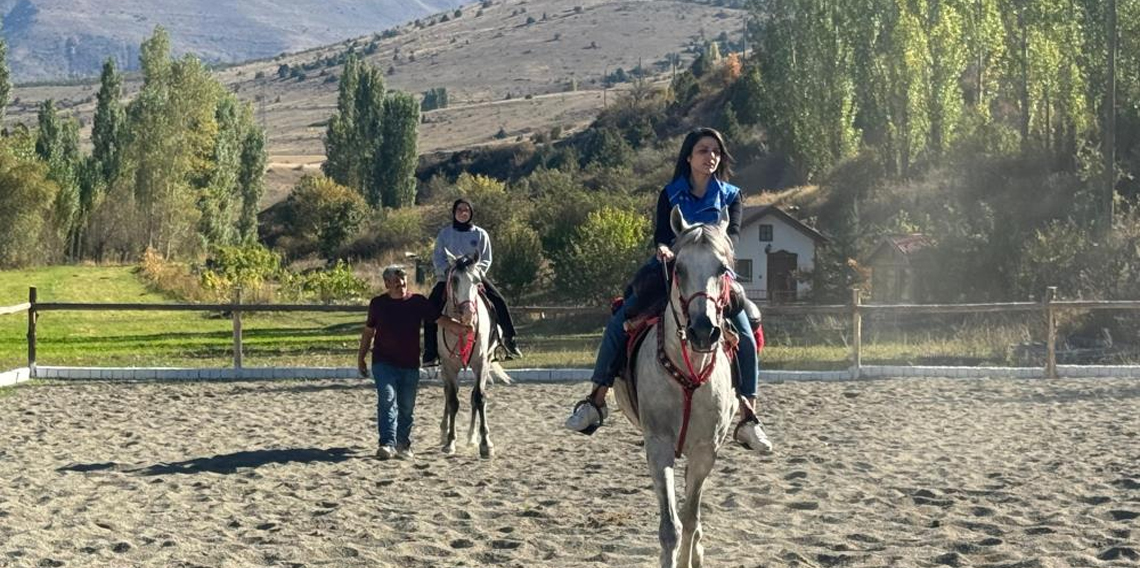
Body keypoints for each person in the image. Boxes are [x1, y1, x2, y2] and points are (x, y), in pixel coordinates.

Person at [563, 127, 773, 455]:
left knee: (744, 332)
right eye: (703, 150)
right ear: (688, 156)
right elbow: (662, 233)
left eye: (716, 151)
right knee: (621, 320)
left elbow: (732, 237)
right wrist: (663, 247)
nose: (711, 156)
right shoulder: (670, 193)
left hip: (715, 275)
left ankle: (749, 417)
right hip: (671, 270)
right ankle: (595, 401)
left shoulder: (732, 195)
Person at [357, 265, 471, 460]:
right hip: (383, 361)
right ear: (387, 284)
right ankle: (387, 443)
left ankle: (404, 444)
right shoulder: (377, 304)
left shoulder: (417, 302)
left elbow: (439, 319)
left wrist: (460, 329)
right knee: (387, 399)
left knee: (407, 407)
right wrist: (361, 357)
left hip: (409, 363)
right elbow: (369, 331)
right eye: (396, 282)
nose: (400, 285)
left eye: (403, 281)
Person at [422, 198, 523, 365]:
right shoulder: (444, 234)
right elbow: (438, 258)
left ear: (471, 213)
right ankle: (430, 351)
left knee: (499, 301)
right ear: (454, 212)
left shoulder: (480, 234)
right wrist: (449, 271)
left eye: (466, 210)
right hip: (450, 278)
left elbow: (486, 259)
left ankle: (508, 340)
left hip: (474, 277)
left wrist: (475, 272)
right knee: (430, 308)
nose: (463, 212)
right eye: (459, 209)